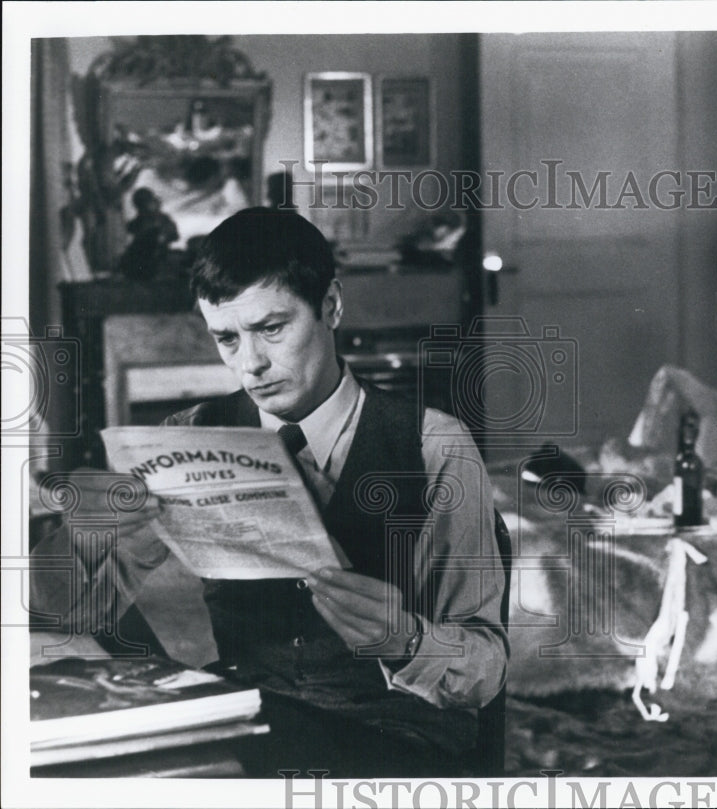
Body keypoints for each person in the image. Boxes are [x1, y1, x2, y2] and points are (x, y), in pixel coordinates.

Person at [32, 208, 508, 776]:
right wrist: (85, 539)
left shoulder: (435, 446)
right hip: (253, 712)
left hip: (394, 732)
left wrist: (403, 638)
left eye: (272, 328)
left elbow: (485, 667)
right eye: (226, 338)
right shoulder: (187, 436)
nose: (250, 364)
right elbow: (66, 614)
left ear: (330, 306)